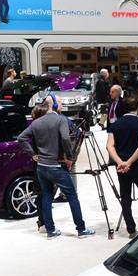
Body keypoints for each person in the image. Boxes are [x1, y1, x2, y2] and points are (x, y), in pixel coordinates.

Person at [17, 99, 94, 239]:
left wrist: (33, 154)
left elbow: (21, 138)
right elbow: (65, 138)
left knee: (46, 196)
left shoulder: (36, 123)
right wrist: (70, 157)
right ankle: (81, 229)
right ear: (53, 107)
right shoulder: (61, 120)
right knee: (72, 197)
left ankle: (50, 231)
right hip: (56, 166)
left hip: (42, 167)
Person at [107, 94, 138, 237]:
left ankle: (131, 229)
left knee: (125, 197)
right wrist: (129, 162)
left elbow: (109, 146)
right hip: (136, 165)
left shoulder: (115, 125)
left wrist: (120, 162)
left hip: (121, 167)